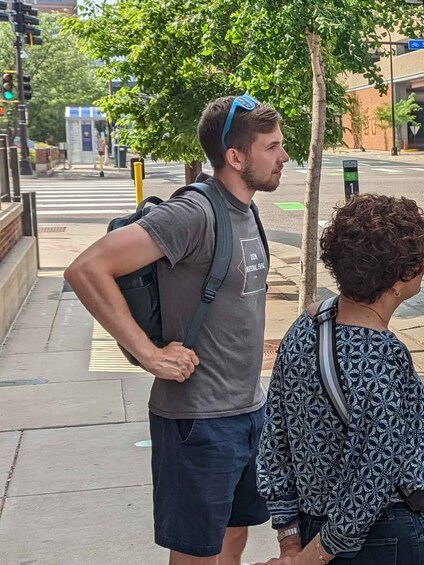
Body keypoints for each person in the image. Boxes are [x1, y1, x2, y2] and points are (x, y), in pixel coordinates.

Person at [65, 94, 289, 565]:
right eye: (272, 147)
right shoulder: (194, 213)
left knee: (233, 537)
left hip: (247, 411)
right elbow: (87, 269)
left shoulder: (245, 209)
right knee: (195, 554)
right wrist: (149, 354)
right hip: (196, 421)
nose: (283, 156)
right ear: (235, 157)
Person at [254, 194, 424, 565]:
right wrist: (311, 559)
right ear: (401, 278)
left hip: (310, 528)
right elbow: (373, 477)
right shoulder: (382, 355)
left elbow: (274, 438)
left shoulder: (306, 327)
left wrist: (291, 541)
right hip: (381, 537)